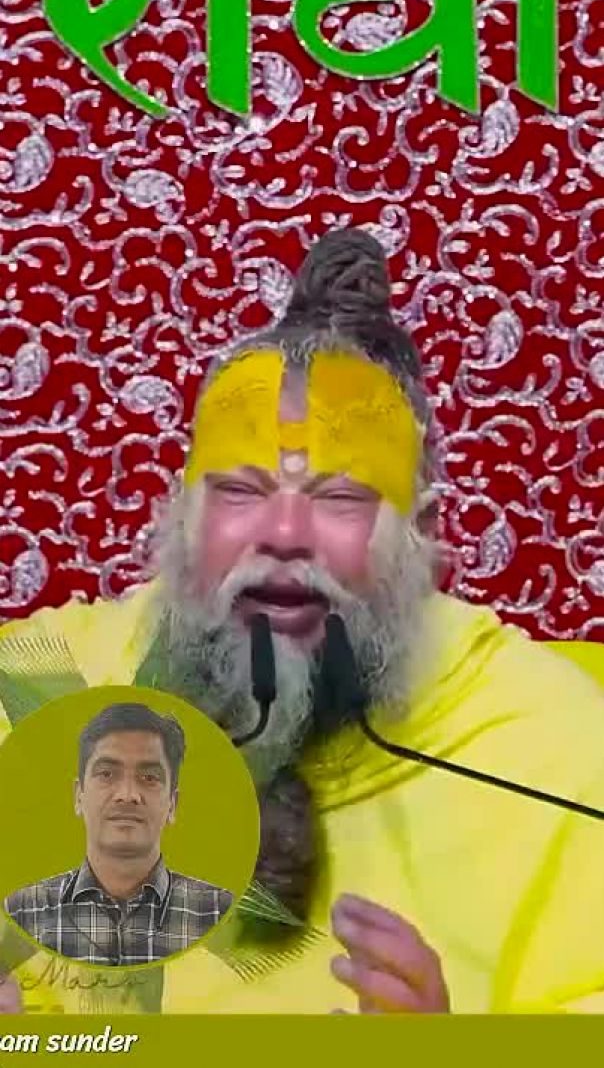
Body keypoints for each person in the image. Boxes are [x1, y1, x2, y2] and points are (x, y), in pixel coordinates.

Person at [0, 228, 603, 1013]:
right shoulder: (41, 689)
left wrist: (454, 1056)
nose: (284, 534)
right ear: (182, 517)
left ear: (419, 534)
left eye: (340, 497)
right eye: (240, 491)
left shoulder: (554, 748)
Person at [3, 703, 233, 965]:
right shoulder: (22, 913)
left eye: (149, 777)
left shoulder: (220, 915)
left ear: (173, 804)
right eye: (107, 774)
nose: (127, 795)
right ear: (78, 796)